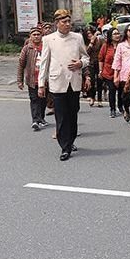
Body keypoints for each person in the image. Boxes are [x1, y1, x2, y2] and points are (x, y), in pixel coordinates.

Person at [37, 9, 90, 161]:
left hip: (73, 81)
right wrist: (41, 84)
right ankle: (64, 147)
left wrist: (81, 63)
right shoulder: (49, 39)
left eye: (69, 21)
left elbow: (86, 57)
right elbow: (44, 64)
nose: (67, 24)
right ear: (57, 23)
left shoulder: (77, 38)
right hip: (57, 81)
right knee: (61, 116)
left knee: (72, 114)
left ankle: (70, 140)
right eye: (64, 22)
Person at [17, 27, 48, 131]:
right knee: (34, 99)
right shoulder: (26, 49)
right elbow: (21, 65)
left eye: (38, 34)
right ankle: (35, 120)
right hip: (32, 79)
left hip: (44, 79)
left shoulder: (46, 47)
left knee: (43, 99)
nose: (36, 36)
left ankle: (41, 118)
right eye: (34, 35)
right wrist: (20, 80)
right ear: (30, 36)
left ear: (41, 36)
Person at [112, 25, 130, 124]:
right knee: (126, 96)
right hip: (125, 74)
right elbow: (117, 61)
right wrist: (116, 76)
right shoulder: (121, 45)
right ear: (126, 32)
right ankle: (127, 110)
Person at [98, 28, 121, 118]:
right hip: (108, 72)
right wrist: (100, 71)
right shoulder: (106, 46)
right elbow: (101, 59)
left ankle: (121, 106)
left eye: (118, 33)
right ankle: (112, 109)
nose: (117, 35)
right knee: (112, 90)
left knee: (121, 92)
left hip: (120, 72)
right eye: (115, 34)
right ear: (110, 36)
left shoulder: (122, 45)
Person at [84, 26, 104, 107]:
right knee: (91, 81)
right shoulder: (85, 43)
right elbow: (86, 53)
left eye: (91, 33)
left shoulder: (100, 40)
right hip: (90, 63)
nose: (89, 35)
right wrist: (91, 43)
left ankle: (99, 99)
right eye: (88, 34)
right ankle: (92, 97)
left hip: (99, 63)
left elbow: (103, 51)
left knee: (100, 81)